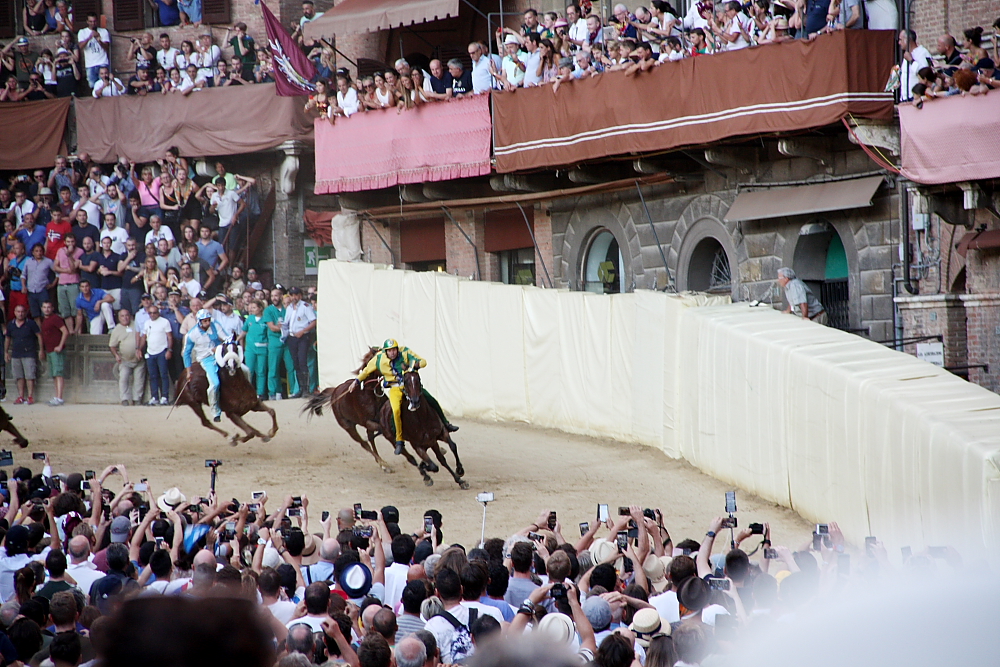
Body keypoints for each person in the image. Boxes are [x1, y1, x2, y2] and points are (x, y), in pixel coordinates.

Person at [353, 338, 458, 456]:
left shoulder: (405, 352)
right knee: (396, 410)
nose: (392, 353)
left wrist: (414, 364)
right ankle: (399, 440)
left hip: (410, 386)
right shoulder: (378, 359)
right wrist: (356, 381)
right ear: (385, 352)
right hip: (395, 389)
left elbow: (423, 362)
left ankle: (445, 423)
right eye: (389, 351)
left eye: (394, 350)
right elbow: (366, 371)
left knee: (430, 399)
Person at [183, 308, 224, 421]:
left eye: (208, 320)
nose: (207, 323)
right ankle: (215, 410)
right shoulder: (191, 334)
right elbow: (186, 353)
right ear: (199, 321)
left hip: (220, 354)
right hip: (207, 359)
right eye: (204, 321)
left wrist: (222, 346)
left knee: (243, 370)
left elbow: (226, 337)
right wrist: (188, 371)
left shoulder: (215, 325)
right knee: (215, 384)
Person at [263, 287, 298, 400]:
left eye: (276, 295)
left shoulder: (287, 309)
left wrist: (283, 327)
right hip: (274, 342)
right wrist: (283, 328)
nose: (274, 298)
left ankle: (293, 391)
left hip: (288, 342)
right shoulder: (268, 310)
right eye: (272, 296)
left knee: (291, 367)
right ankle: (274, 392)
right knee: (273, 368)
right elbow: (272, 327)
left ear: (281, 296)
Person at [5, 305, 43, 405]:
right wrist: (6, 352)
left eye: (22, 312)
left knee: (30, 376)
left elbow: (39, 336)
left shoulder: (31, 323)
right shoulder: (11, 325)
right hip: (16, 353)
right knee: (19, 376)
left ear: (25, 313)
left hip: (29, 352)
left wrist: (41, 350)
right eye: (18, 311)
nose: (20, 314)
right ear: (14, 312)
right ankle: (21, 396)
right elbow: (8, 338)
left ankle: (30, 396)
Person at [282, 287, 315, 399]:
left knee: (302, 362)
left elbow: (313, 321)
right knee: (296, 363)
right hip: (292, 337)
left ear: (300, 295)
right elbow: (287, 322)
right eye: (291, 295)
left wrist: (303, 331)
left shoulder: (305, 307)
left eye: (296, 295)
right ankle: (301, 388)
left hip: (302, 337)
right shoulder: (289, 308)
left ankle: (307, 389)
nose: (294, 297)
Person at [109, 309, 146, 406]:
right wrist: (116, 355)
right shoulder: (117, 329)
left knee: (139, 379)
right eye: (122, 316)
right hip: (125, 360)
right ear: (119, 317)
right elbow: (112, 346)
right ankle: (124, 399)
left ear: (130, 316)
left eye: (127, 315)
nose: (125, 318)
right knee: (123, 378)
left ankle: (137, 399)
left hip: (138, 358)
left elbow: (143, 336)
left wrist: (140, 349)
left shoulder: (136, 324)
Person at [140, 302, 173, 405]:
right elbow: (143, 337)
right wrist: (139, 349)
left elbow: (170, 337)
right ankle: (154, 397)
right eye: (150, 313)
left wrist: (169, 350)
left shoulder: (164, 322)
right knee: (153, 376)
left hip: (162, 351)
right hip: (150, 352)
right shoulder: (147, 323)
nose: (152, 315)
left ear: (158, 313)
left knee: (163, 375)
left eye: (154, 313)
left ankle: (165, 397)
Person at [40, 301, 69, 406]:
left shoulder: (55, 318)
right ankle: (56, 396)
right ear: (42, 308)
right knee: (54, 374)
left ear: (52, 308)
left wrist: (60, 345)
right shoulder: (45, 320)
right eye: (44, 307)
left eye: (48, 307)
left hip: (57, 350)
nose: (46, 309)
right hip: (50, 350)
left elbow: (65, 331)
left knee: (58, 373)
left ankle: (60, 398)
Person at [898, 29, 933, 102]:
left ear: (907, 40)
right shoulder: (907, 54)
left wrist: (911, 60)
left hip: (915, 97)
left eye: (901, 40)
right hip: (905, 96)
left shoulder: (922, 53)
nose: (899, 42)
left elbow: (925, 73)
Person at [77, 14, 110, 89]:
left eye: (94, 21)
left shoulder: (104, 31)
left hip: (102, 62)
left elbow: (107, 48)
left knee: (105, 84)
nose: (93, 23)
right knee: (92, 85)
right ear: (87, 22)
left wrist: (99, 40)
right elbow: (80, 47)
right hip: (90, 64)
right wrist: (89, 37)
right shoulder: (82, 32)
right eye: (91, 21)